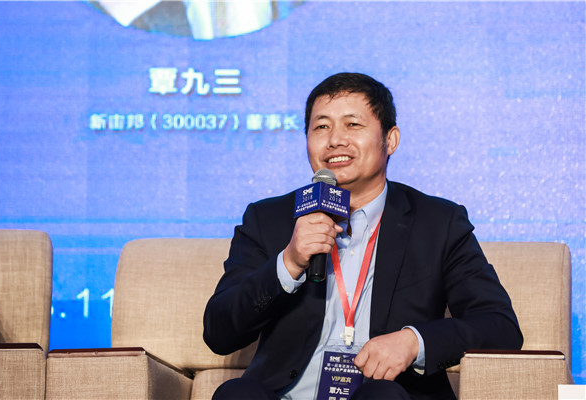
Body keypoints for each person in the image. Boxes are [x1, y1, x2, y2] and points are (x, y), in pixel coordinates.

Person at [203, 72, 523, 400]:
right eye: (321, 127)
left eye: (353, 124)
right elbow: (219, 333)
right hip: (284, 394)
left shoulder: (438, 223)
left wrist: (413, 342)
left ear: (390, 140)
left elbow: (499, 327)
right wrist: (289, 263)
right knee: (236, 395)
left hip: (384, 393)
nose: (335, 140)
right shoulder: (269, 218)